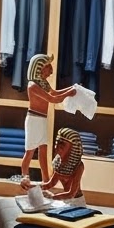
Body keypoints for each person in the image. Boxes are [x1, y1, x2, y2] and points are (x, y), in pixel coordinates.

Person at [12, 53, 76, 186]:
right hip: (34, 120)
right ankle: (25, 177)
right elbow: (53, 99)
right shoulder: (33, 86)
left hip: (41, 119)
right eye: (48, 66)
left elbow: (55, 93)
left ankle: (46, 180)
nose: (51, 70)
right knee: (30, 151)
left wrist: (72, 88)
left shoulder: (43, 84)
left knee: (43, 150)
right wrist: (69, 93)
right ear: (39, 68)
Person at [21, 127, 87, 206]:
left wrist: (52, 198)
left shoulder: (79, 166)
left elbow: (72, 193)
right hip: (65, 200)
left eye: (62, 145)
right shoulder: (58, 162)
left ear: (73, 148)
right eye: (57, 143)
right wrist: (32, 186)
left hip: (77, 201)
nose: (57, 147)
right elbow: (50, 184)